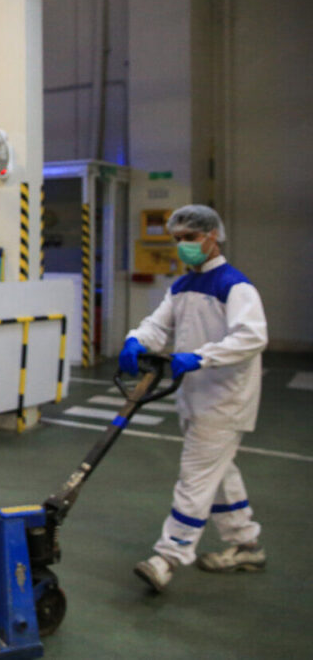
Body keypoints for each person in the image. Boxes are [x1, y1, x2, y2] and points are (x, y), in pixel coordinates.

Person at [119, 204, 268, 592]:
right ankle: (246, 543)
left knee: (195, 477)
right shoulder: (182, 286)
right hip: (194, 397)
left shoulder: (235, 286)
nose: (183, 244)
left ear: (212, 236)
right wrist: (137, 340)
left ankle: (168, 556)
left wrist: (202, 357)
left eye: (190, 237)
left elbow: (252, 337)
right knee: (219, 473)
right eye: (178, 238)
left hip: (224, 400)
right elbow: (158, 325)